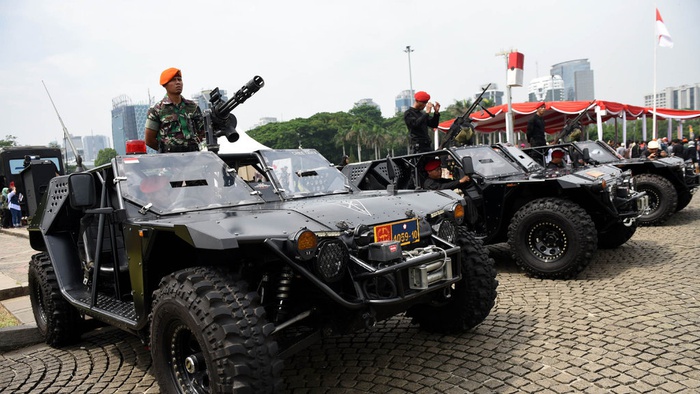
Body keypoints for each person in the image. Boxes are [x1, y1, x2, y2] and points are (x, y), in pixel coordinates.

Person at [145, 67, 206, 153]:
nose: (178, 83)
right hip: (169, 159)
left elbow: (202, 131)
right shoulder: (157, 110)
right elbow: (149, 140)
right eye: (173, 80)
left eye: (179, 80)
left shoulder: (193, 107)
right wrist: (165, 150)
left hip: (193, 156)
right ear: (165, 84)